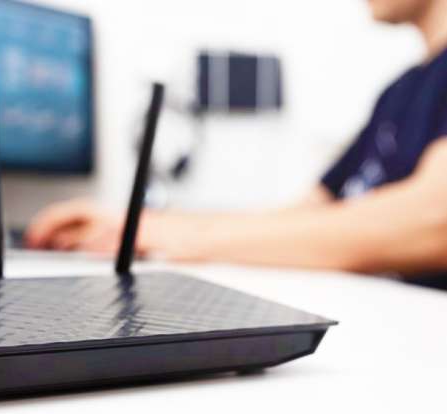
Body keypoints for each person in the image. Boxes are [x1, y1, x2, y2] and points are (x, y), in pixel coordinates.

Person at [24, 0, 447, 290]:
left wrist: (160, 232)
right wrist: (141, 228)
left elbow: (434, 219)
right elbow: (306, 216)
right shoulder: (400, 92)